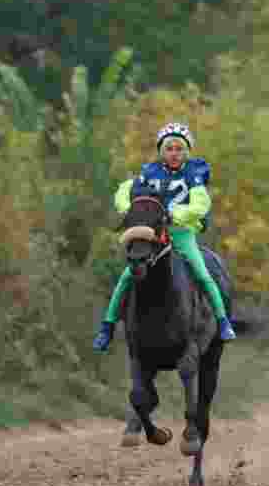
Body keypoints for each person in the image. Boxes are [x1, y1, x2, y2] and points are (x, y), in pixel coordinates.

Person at [92, 122, 236, 351]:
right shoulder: (150, 172)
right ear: (162, 151)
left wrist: (175, 214)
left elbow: (201, 203)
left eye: (179, 149)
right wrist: (129, 209)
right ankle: (107, 326)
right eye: (169, 149)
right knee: (128, 275)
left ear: (186, 151)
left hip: (181, 233)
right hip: (154, 234)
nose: (174, 154)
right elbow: (124, 190)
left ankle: (222, 321)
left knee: (201, 271)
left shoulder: (193, 173)